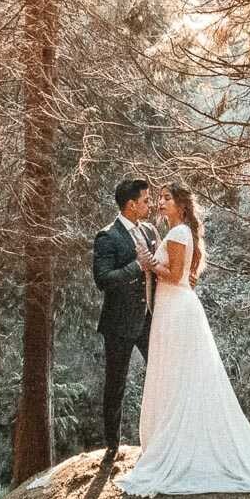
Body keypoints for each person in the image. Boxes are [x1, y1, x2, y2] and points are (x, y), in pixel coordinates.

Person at [114, 185, 250, 497]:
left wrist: (149, 262)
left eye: (167, 198)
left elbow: (175, 274)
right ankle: (173, 437)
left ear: (181, 205)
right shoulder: (176, 232)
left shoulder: (179, 234)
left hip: (177, 309)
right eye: (160, 198)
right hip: (172, 307)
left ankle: (182, 443)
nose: (161, 202)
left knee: (180, 373)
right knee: (175, 372)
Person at [92, 177, 158, 455]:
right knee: (116, 384)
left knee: (159, 376)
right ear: (131, 205)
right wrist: (136, 266)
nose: (150, 204)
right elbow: (103, 279)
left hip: (149, 320)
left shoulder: (151, 231)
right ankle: (112, 446)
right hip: (118, 325)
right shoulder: (107, 236)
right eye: (145, 200)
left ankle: (158, 438)